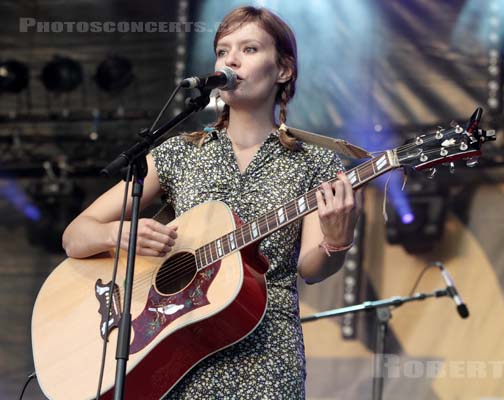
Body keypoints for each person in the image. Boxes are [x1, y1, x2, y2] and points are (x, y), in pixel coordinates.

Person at [62, 6, 358, 399]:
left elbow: (311, 268)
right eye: (223, 51)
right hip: (176, 354)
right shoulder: (177, 154)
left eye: (249, 49)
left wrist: (336, 242)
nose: (230, 60)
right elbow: (75, 235)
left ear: (284, 70)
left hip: (266, 358)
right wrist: (120, 234)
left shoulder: (315, 162)